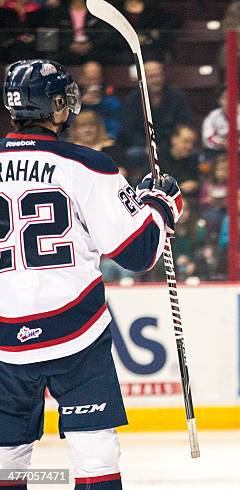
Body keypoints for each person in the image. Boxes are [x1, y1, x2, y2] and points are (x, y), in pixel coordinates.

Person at [0, 59, 182, 489]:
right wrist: (160, 205)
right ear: (58, 105)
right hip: (74, 331)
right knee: (94, 449)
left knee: (6, 455)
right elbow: (138, 253)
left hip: (5, 340)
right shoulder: (86, 164)